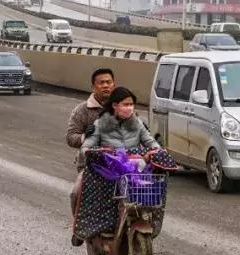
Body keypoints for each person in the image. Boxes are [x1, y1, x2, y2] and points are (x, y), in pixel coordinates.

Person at [73, 86, 170, 244]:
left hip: (134, 171)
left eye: (131, 104)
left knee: (153, 188)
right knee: (76, 192)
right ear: (115, 105)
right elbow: (86, 148)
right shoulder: (100, 124)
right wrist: (94, 152)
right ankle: (81, 232)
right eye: (125, 104)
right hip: (106, 172)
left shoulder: (138, 124)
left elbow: (151, 142)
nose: (129, 108)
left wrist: (157, 152)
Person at [65, 68, 116, 244]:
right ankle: (80, 229)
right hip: (90, 166)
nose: (106, 86)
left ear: (114, 84)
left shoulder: (122, 107)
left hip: (119, 165)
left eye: (109, 82)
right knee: (76, 194)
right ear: (93, 86)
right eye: (101, 83)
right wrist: (84, 136)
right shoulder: (82, 110)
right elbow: (70, 137)